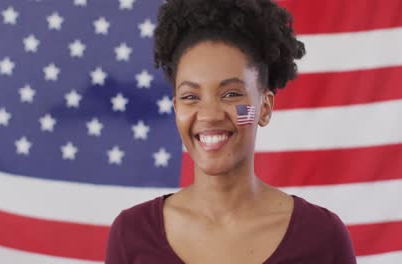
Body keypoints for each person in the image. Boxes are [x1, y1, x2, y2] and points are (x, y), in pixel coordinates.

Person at [105, 0, 357, 263]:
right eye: (191, 96)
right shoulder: (131, 233)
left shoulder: (322, 237)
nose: (210, 115)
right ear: (176, 107)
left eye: (231, 94)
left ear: (265, 107)